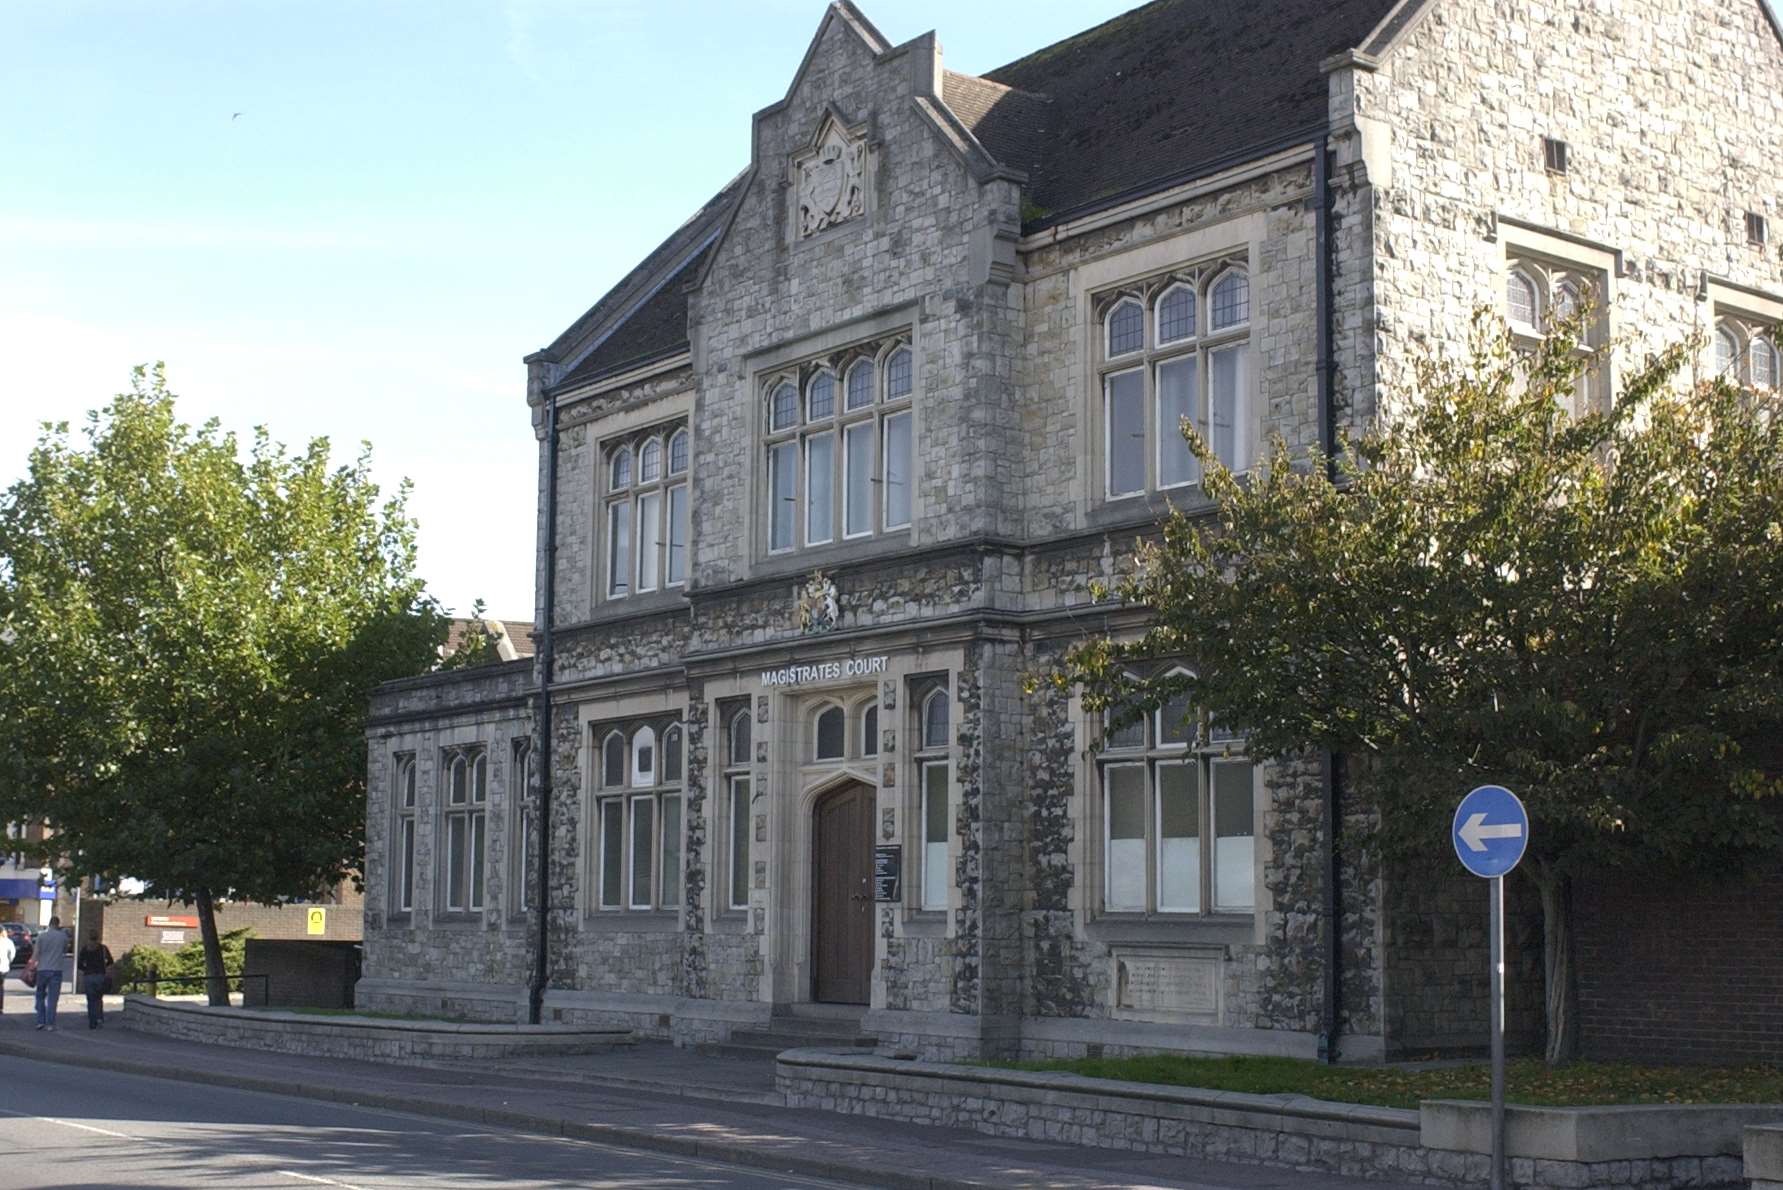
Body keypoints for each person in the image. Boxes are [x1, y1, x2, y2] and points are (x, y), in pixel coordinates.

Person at [32, 916, 69, 1031]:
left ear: (49, 923)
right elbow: (65, 951)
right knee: (53, 998)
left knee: (40, 995)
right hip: (56, 969)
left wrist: (32, 965)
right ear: (58, 924)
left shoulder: (41, 936)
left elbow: (36, 953)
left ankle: (40, 1021)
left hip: (42, 969)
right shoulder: (63, 937)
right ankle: (50, 1024)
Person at [76, 930, 114, 1030]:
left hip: (88, 976)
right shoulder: (103, 948)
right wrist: (104, 967)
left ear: (89, 937)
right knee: (98, 999)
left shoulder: (85, 949)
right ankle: (99, 1018)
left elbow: (79, 964)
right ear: (98, 937)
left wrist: (86, 970)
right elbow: (110, 961)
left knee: (90, 1000)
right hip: (100, 976)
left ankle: (92, 1021)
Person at [0, 929, 14, 1014]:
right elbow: (12, 953)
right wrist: (8, 961)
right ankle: (0, 1007)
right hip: (3, 968)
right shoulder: (8, 941)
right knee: (1, 986)